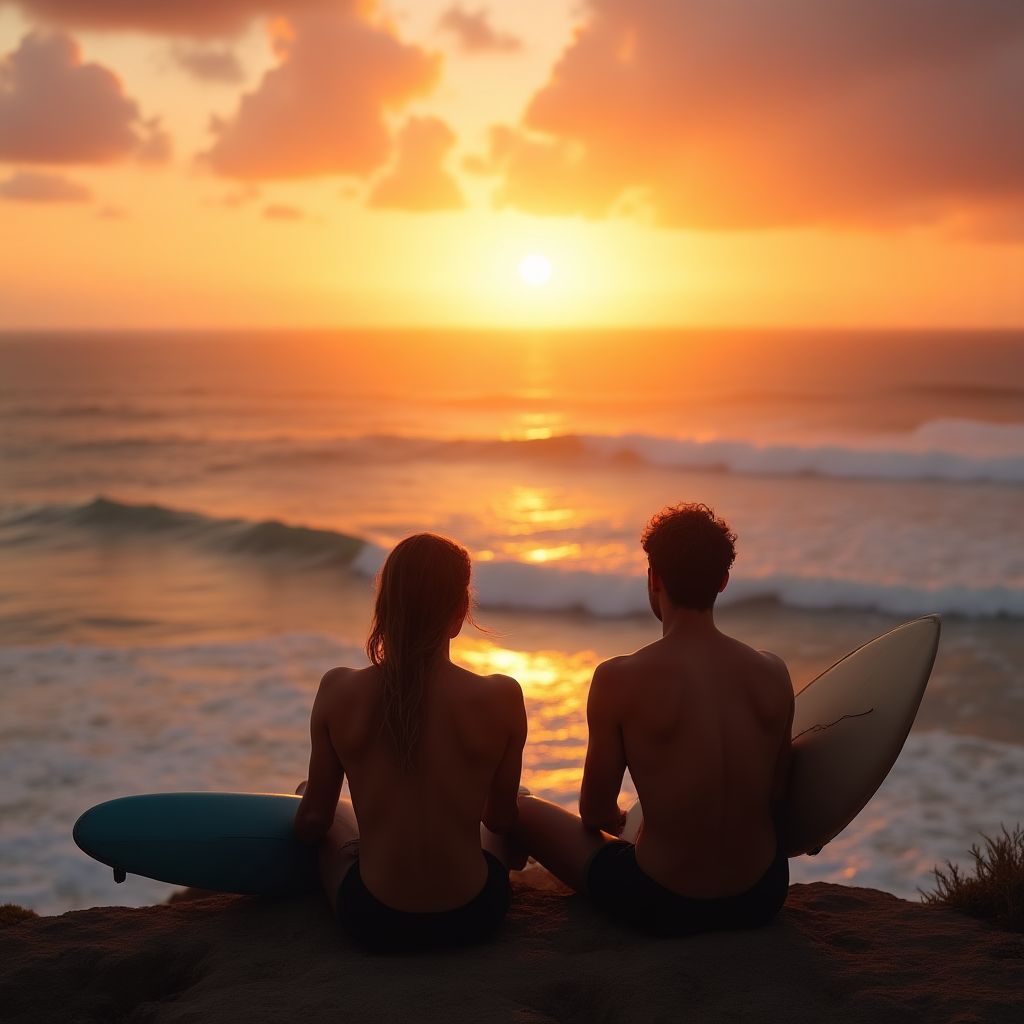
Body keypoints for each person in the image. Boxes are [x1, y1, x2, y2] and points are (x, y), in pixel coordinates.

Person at [510, 503, 794, 937]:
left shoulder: (618, 679)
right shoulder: (773, 672)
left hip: (661, 901)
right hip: (760, 897)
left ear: (654, 578)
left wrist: (625, 821)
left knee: (518, 808)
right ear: (723, 581)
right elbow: (778, 794)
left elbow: (594, 813)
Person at [293, 533, 528, 953]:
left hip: (374, 920)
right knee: (514, 803)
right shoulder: (501, 697)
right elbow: (501, 822)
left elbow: (311, 825)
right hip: (474, 916)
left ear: (384, 608)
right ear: (459, 612)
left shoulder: (339, 690)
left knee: (311, 798)